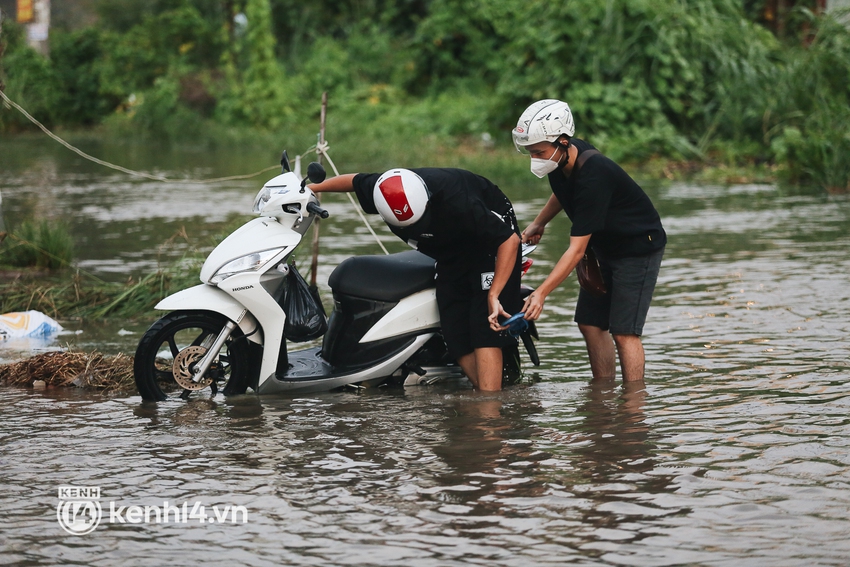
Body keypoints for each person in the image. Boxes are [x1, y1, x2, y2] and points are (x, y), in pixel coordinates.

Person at [309, 167, 522, 391]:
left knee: (484, 328)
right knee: (455, 331)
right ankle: (488, 395)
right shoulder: (385, 189)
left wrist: (494, 293)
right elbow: (354, 181)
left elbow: (509, 240)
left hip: (491, 244)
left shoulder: (458, 199)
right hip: (449, 249)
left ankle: (490, 412)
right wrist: (312, 188)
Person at [512, 99, 666, 383]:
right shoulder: (561, 159)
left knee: (624, 332)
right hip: (605, 245)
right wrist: (539, 222)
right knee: (590, 323)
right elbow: (564, 191)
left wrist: (542, 292)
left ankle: (633, 407)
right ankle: (603, 393)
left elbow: (576, 250)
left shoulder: (595, 174)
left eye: (538, 152)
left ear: (562, 141)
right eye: (530, 153)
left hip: (637, 248)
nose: (535, 159)